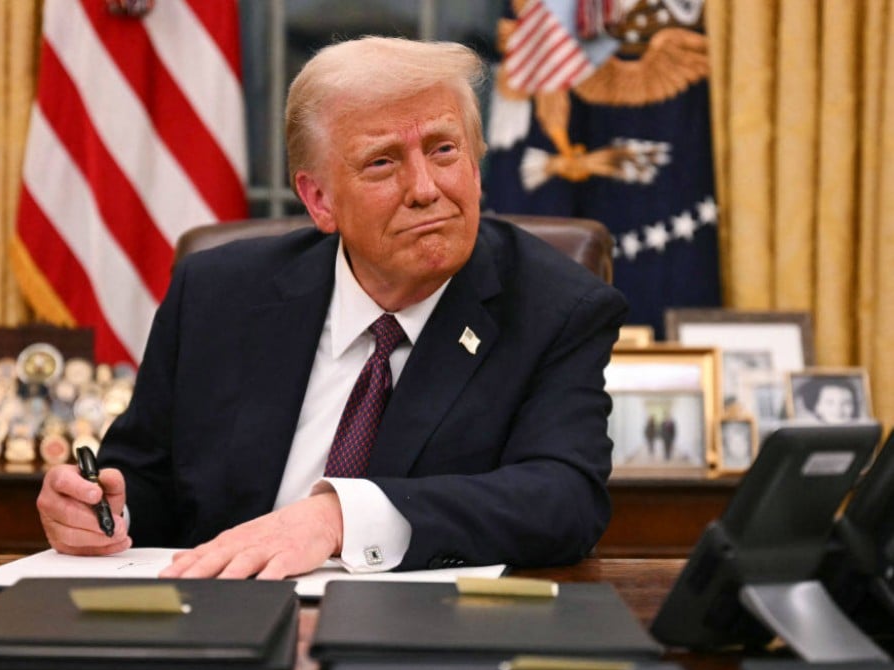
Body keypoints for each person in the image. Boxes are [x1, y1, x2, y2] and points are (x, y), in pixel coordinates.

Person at [36, 36, 628, 579]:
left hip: (426, 644)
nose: (425, 188)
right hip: (222, 629)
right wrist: (99, 511)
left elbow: (564, 499)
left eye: (444, 150)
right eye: (383, 162)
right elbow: (143, 480)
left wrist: (339, 517)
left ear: (475, 167)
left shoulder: (556, 308)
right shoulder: (217, 295)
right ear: (319, 200)